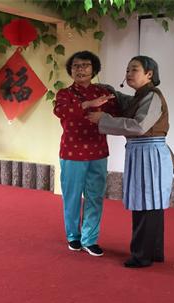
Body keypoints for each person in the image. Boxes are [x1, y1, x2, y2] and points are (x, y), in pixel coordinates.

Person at [87, 56, 174, 268]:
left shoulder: (152, 96)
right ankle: (152, 252)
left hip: (149, 153)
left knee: (147, 204)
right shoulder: (142, 96)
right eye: (127, 70)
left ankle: (141, 255)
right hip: (144, 152)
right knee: (150, 204)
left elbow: (139, 126)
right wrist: (110, 91)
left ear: (149, 74)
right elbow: (125, 101)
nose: (128, 73)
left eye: (134, 69)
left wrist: (103, 119)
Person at [53, 51, 118, 257]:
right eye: (76, 66)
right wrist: (88, 104)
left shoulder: (103, 93)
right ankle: (73, 236)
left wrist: (104, 111)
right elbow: (61, 112)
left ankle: (90, 239)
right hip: (72, 151)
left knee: (95, 197)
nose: (80, 69)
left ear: (94, 69)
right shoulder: (64, 94)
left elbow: (115, 116)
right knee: (72, 196)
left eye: (85, 65)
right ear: (70, 70)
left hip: (97, 151)